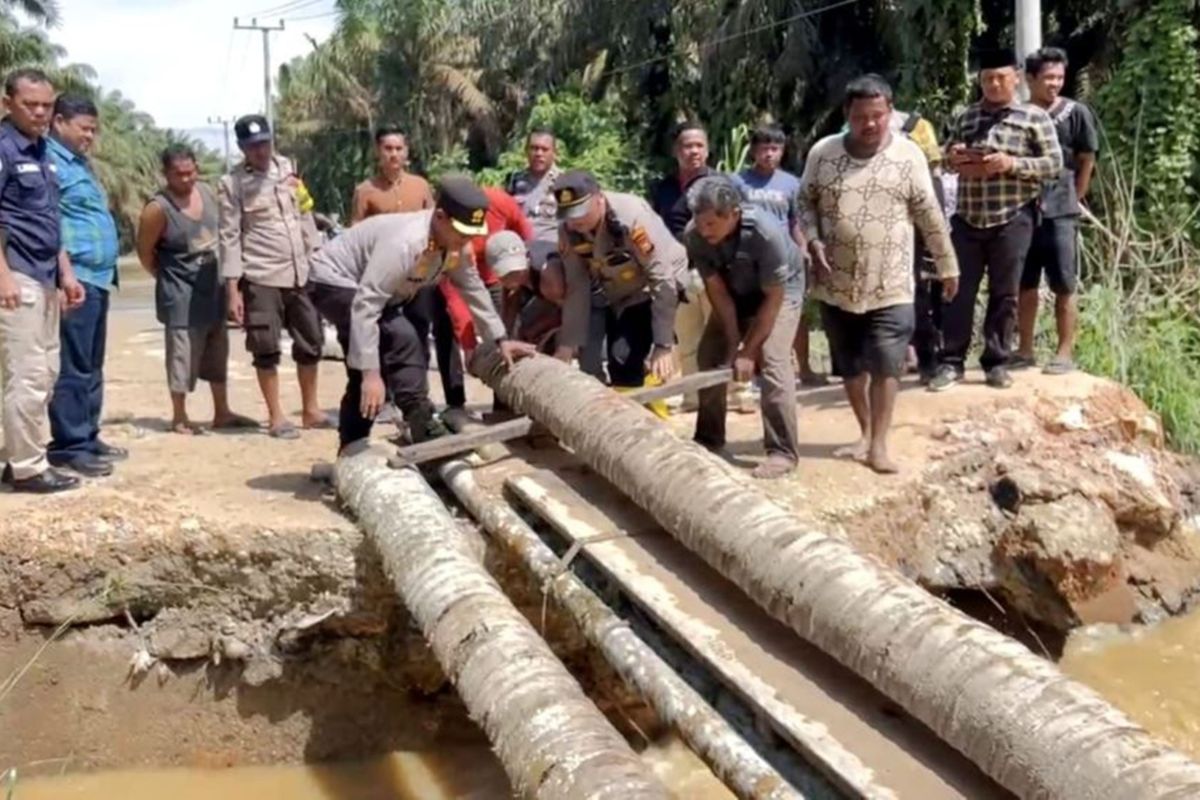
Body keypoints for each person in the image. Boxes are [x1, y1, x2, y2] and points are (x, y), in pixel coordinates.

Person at [801, 75, 959, 473]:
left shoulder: (909, 156)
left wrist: (947, 265)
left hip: (891, 283)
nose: (869, 124)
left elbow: (929, 214)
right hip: (834, 281)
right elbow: (804, 203)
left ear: (890, 112)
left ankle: (880, 445)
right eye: (860, 117)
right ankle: (865, 431)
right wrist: (813, 240)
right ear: (847, 116)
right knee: (850, 365)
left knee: (887, 363)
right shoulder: (823, 153)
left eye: (877, 116)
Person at [307, 176, 535, 451]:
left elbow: (472, 286)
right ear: (440, 217)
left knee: (406, 339)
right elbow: (366, 305)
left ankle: (414, 420)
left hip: (376, 293)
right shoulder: (406, 243)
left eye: (472, 234)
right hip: (332, 281)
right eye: (462, 233)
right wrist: (370, 374)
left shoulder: (454, 243)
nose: (468, 240)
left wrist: (499, 338)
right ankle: (375, 438)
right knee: (389, 345)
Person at [933, 49, 1062, 392]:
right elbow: (944, 160)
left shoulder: (1034, 118)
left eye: (1000, 78)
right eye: (987, 78)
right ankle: (951, 362)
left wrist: (1012, 164)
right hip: (967, 217)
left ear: (1016, 78)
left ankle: (996, 362)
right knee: (957, 290)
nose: (993, 84)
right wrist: (954, 157)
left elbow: (1053, 165)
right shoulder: (966, 117)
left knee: (1005, 293)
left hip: (1012, 217)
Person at [685, 175, 805, 479]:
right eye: (700, 223)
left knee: (773, 360)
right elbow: (718, 292)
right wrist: (732, 342)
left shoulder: (766, 234)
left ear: (734, 214)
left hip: (780, 291)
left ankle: (782, 451)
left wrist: (749, 351)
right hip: (734, 290)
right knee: (710, 357)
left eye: (712, 224)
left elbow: (774, 298)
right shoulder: (695, 235)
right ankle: (709, 438)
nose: (704, 230)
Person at [0, 69, 85, 493]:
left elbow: (48, 221)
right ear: (7, 104)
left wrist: (66, 273)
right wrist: (3, 278)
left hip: (45, 274)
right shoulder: (3, 149)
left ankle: (10, 458)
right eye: (30, 103)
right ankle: (30, 468)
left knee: (45, 369)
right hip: (15, 275)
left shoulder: (42, 152)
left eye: (46, 105)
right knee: (28, 373)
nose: (39, 111)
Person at [218, 113, 329, 439]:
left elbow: (304, 215)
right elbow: (229, 238)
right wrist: (233, 291)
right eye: (253, 146)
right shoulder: (232, 185)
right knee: (265, 347)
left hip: (300, 273)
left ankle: (310, 410)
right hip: (262, 276)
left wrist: (318, 258)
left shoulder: (288, 171)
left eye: (265, 143)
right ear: (241, 147)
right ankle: (276, 416)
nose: (261, 151)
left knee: (311, 343)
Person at [137, 144, 256, 435]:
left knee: (218, 350)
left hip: (213, 286)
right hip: (180, 292)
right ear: (166, 174)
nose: (187, 179)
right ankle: (179, 416)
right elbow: (144, 252)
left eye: (191, 172)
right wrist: (167, 279)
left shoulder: (207, 192)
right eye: (179, 175)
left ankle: (222, 411)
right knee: (182, 356)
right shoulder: (157, 208)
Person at [45, 95, 124, 478]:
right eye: (85, 128)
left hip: (97, 279)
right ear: (59, 122)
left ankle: (89, 436)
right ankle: (69, 445)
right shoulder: (48, 161)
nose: (91, 136)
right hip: (73, 278)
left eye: (94, 129)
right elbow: (48, 222)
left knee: (92, 365)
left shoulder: (80, 164)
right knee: (73, 367)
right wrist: (63, 277)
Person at [553, 170, 686, 396]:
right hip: (615, 292)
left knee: (623, 358)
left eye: (580, 212)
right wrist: (568, 343)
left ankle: (643, 410)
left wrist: (663, 345)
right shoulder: (569, 231)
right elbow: (577, 285)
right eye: (569, 214)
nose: (575, 221)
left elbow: (661, 278)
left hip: (655, 287)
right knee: (596, 361)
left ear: (599, 198)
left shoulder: (631, 218)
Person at [1014, 47, 1099, 375]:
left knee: (1064, 281)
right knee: (1025, 283)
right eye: (1048, 77)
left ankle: (1064, 352)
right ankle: (1024, 349)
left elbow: (1087, 158)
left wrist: (1075, 197)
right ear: (1029, 79)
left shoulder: (1076, 112)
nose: (1054, 83)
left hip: (1061, 209)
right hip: (1022, 208)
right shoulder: (1017, 114)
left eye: (1059, 77)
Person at [735, 124, 827, 388]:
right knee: (757, 314)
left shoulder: (791, 183)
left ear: (782, 151)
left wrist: (803, 248)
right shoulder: (738, 182)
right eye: (764, 149)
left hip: (787, 259)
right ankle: (761, 371)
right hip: (752, 261)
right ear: (753, 151)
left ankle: (806, 368)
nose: (769, 154)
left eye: (774, 149)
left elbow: (795, 221)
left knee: (796, 315)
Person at [430, 185, 536, 412]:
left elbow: (526, 232)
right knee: (446, 330)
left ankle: (504, 401)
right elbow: (456, 296)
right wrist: (468, 345)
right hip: (452, 273)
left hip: (490, 279)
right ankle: (455, 403)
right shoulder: (457, 237)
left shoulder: (502, 203)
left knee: (504, 335)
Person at [649, 121, 715, 409]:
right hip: (679, 274)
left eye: (699, 145)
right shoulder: (663, 188)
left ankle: (738, 393)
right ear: (677, 151)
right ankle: (692, 395)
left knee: (723, 333)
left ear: (708, 150)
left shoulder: (718, 184)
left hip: (714, 271)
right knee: (688, 338)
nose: (694, 151)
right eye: (688, 146)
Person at [350, 127, 434, 223]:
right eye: (388, 149)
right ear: (378, 151)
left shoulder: (421, 186)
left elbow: (434, 224)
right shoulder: (364, 191)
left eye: (399, 149)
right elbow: (356, 233)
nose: (394, 154)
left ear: (406, 152)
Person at [506, 127, 562, 240]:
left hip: (551, 248)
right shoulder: (514, 180)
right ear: (526, 151)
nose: (538, 153)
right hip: (519, 248)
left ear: (554, 153)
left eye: (544, 149)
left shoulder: (563, 182)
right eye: (534, 148)